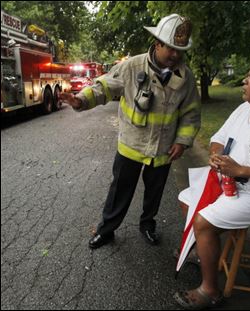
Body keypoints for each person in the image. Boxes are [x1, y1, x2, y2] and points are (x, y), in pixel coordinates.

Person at [59, 14, 201, 249]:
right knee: (119, 191)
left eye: (181, 50)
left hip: (164, 149)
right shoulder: (132, 66)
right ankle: (106, 231)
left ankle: (147, 225)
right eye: (172, 49)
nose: (176, 55)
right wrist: (80, 100)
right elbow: (103, 87)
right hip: (131, 146)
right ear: (158, 43)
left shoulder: (186, 77)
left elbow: (191, 113)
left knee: (154, 193)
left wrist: (183, 141)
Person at [174, 56, 250, 309]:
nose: (245, 81)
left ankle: (210, 290)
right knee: (187, 199)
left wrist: (241, 169)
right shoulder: (246, 108)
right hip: (234, 182)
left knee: (203, 222)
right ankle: (204, 251)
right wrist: (217, 155)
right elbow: (219, 137)